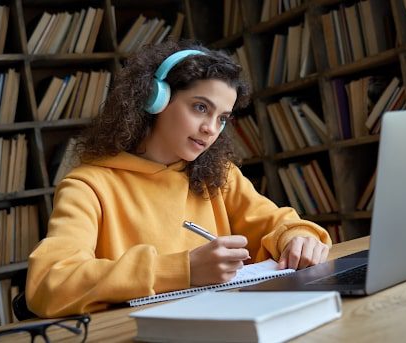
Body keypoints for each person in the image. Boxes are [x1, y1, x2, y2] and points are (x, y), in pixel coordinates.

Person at [26, 40, 332, 318]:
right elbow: (50, 284)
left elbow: (276, 222)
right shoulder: (87, 186)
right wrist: (182, 269)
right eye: (200, 107)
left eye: (222, 118)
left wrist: (297, 238)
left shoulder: (219, 175)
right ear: (154, 100)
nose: (211, 128)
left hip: (223, 323)